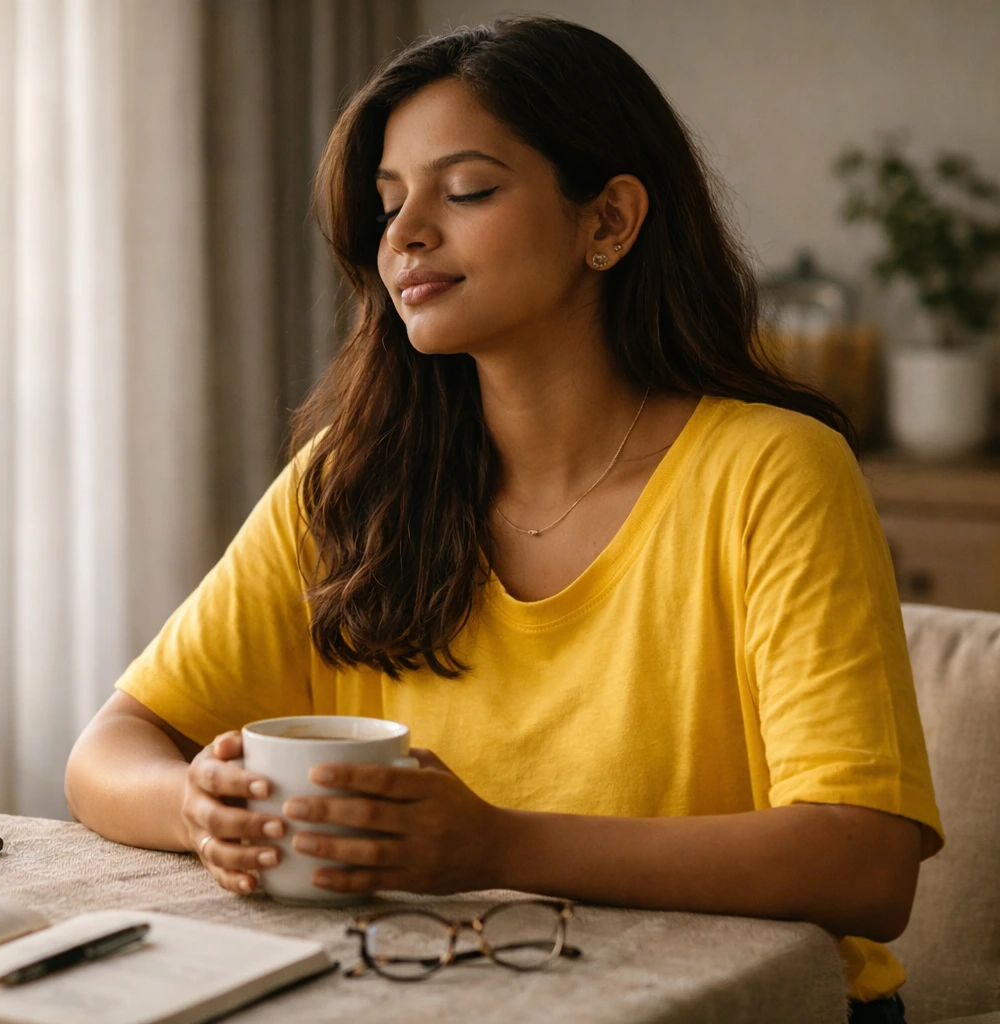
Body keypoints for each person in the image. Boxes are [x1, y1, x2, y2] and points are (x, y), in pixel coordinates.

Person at [64, 18, 941, 1023]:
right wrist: (196, 809)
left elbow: (868, 864)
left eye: (467, 190)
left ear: (608, 220)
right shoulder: (353, 483)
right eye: (389, 203)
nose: (404, 236)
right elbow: (107, 751)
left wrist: (494, 846)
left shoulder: (773, 471)